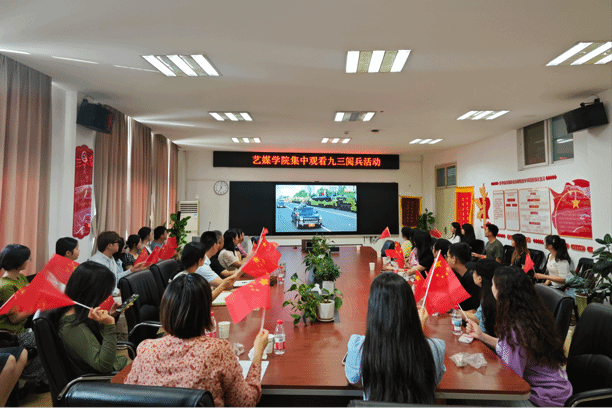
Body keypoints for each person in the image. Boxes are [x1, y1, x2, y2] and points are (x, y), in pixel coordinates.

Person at [125, 273, 268, 408]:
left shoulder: (146, 349)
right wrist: (257, 354)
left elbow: (127, 395)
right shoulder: (218, 350)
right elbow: (246, 402)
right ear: (205, 312)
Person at [466, 267, 572, 407]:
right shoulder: (529, 314)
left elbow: (511, 380)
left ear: (502, 292)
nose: (491, 288)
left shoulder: (516, 328)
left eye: (493, 284)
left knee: (470, 393)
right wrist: (482, 336)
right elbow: (508, 346)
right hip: (555, 390)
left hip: (543, 400)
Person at [345, 273, 445, 403]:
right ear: (411, 307)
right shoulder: (435, 348)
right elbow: (434, 380)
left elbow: (353, 379)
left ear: (373, 308)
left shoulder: (360, 347)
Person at [52, 262, 128, 375]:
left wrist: (110, 316)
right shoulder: (73, 326)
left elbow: (92, 339)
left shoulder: (76, 311)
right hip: (102, 379)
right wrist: (109, 326)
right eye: (105, 293)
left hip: (109, 368)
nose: (106, 297)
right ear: (93, 293)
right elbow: (104, 366)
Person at [0, 244, 47, 392]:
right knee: (47, 340)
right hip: (12, 334)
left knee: (52, 334)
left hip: (23, 327)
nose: (29, 260)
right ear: (19, 261)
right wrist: (37, 306)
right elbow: (14, 319)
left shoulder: (20, 278)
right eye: (28, 258)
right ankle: (24, 377)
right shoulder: (5, 287)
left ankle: (34, 377)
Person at [463, 258, 498, 336]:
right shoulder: (489, 294)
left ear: (480, 278)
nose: (472, 274)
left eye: (474, 272)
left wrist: (457, 312)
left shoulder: (489, 299)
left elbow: (479, 321)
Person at [447, 242, 481, 311]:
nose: (446, 259)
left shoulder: (472, 278)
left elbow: (472, 308)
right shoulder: (462, 274)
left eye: (447, 256)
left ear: (454, 259)